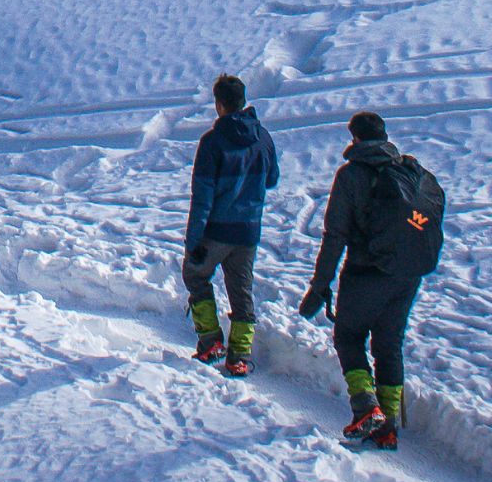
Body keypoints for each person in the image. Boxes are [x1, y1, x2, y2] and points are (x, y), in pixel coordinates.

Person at [297, 110, 444, 451]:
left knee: (349, 337)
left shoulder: (351, 176)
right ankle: (388, 426)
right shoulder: (411, 172)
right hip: (408, 274)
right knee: (389, 344)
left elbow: (335, 235)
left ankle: (366, 408)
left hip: (366, 272)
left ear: (355, 138)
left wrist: (320, 285)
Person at [183, 73, 279, 376]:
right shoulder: (262, 136)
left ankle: (211, 341)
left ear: (219, 104)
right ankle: (240, 356)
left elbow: (202, 196)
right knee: (242, 291)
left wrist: (193, 241)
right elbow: (273, 179)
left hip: (217, 230)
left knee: (195, 276)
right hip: (249, 230)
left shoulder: (212, 142)